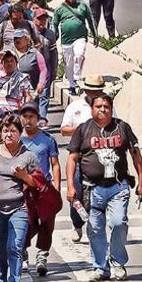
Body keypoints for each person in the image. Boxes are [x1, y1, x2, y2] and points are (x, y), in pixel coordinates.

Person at [66, 93, 142, 281]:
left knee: (118, 222)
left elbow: (135, 154)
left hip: (118, 186)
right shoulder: (83, 130)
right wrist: (71, 185)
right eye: (98, 106)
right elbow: (72, 158)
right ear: (92, 109)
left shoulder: (122, 128)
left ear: (111, 108)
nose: (102, 109)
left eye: (106, 106)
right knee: (95, 228)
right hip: (91, 188)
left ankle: (118, 262)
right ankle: (100, 267)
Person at [0, 114, 38, 282]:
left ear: (20, 133)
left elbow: (38, 184)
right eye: (6, 130)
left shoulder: (28, 156)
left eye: (13, 131)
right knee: (0, 249)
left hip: (19, 207)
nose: (9, 134)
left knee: (14, 247)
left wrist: (24, 176)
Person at [60, 74, 106, 243]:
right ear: (86, 90)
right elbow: (63, 130)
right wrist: (80, 129)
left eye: (98, 91)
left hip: (100, 157)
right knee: (77, 192)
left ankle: (97, 226)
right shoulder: (75, 107)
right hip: (79, 156)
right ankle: (77, 224)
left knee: (100, 194)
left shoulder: (105, 106)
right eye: (92, 91)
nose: (95, 94)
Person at [19, 102, 60, 276]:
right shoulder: (16, 139)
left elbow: (55, 164)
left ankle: (42, 255)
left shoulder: (48, 139)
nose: (28, 121)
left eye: (31, 117)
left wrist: (56, 188)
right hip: (24, 189)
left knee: (47, 223)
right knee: (26, 223)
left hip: (44, 188)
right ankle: (23, 252)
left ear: (38, 119)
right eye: (25, 117)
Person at [51, 0, 98, 95]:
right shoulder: (59, 10)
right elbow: (54, 24)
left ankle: (76, 78)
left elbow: (91, 20)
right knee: (68, 63)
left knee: (79, 55)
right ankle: (71, 84)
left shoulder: (83, 6)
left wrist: (95, 35)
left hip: (80, 37)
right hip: (66, 41)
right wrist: (53, 38)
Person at [0, 48, 33, 113]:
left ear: (16, 63)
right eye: (7, 61)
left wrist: (25, 110)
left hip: (14, 112)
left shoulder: (22, 77)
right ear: (2, 64)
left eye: (12, 61)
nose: (9, 63)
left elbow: (27, 96)